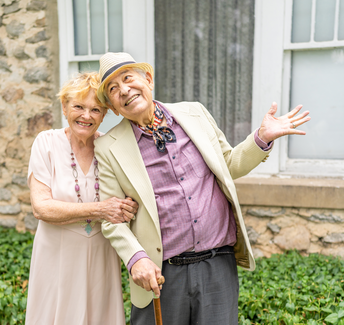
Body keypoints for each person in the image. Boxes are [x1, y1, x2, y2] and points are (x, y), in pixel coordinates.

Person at [94, 52, 311, 325]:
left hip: (217, 264)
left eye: (128, 78)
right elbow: (113, 219)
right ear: (113, 106)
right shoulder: (107, 147)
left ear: (148, 79)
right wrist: (135, 258)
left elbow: (228, 165)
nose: (124, 90)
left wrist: (261, 138)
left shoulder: (194, 112)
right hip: (160, 274)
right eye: (113, 89)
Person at [25, 72, 138, 325]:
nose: (86, 116)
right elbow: (41, 207)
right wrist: (101, 210)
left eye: (96, 110)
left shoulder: (110, 148)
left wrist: (128, 206)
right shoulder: (46, 143)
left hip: (101, 256)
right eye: (78, 106)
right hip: (57, 256)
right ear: (65, 107)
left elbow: (128, 198)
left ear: (104, 115)